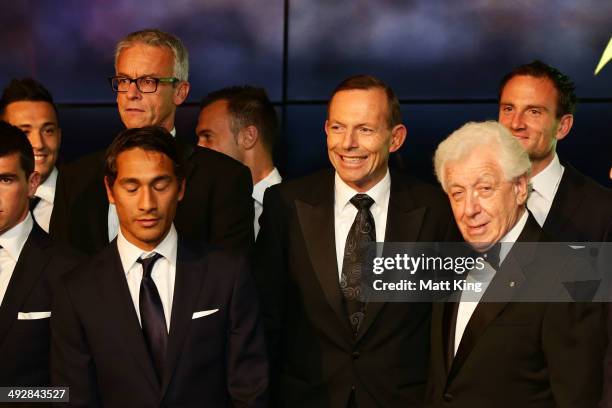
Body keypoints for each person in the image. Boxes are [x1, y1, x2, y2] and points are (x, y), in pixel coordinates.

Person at [254, 75, 456, 407]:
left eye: (365, 130)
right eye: (337, 128)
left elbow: (445, 326)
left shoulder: (435, 210)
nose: (348, 143)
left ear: (396, 138)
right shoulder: (286, 205)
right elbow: (266, 317)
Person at [51, 126, 268, 407]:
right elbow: (73, 397)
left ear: (181, 188)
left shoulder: (226, 274)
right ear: (110, 190)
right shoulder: (77, 290)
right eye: (131, 187)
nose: (147, 203)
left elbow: (250, 390)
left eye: (160, 185)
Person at [427, 120, 605, 407]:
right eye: (457, 193)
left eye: (484, 188)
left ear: (521, 188)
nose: (469, 209)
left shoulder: (571, 273)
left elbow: (579, 396)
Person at [59, 28, 254, 254]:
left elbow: (230, 280)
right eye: (124, 80)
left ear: (180, 92)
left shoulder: (224, 179)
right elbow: (60, 276)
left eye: (147, 81)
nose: (132, 93)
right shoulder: (75, 179)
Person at [0, 121, 81, 386]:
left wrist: (8, 397)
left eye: (5, 180)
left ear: (32, 183)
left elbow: (71, 392)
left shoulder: (69, 270)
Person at [497, 60, 612, 241]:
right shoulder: (466, 195)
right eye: (508, 109)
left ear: (562, 126)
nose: (516, 123)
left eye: (534, 111)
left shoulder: (604, 211)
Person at [197, 85, 281, 237]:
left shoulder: (300, 211)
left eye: (207, 136)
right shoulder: (199, 209)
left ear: (248, 137)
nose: (199, 146)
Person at [0, 78, 67, 236]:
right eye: (24, 132)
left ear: (59, 136)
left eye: (48, 130)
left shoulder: (85, 198)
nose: (38, 143)